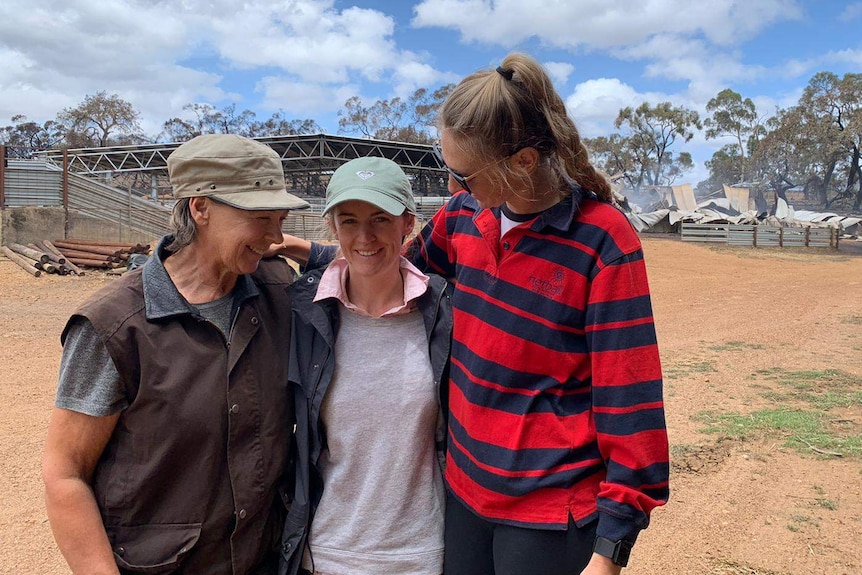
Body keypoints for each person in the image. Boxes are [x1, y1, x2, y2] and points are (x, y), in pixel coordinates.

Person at [275, 53, 669, 575]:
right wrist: (302, 248)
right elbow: (393, 266)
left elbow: (629, 400)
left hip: (547, 513)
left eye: (464, 172)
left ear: (524, 162)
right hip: (464, 496)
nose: (455, 183)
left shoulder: (602, 241)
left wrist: (610, 549)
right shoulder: (465, 218)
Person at [42, 134, 309, 575]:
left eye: (280, 218)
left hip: (263, 558)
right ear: (199, 207)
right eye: (261, 217)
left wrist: (309, 249)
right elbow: (65, 473)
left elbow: (377, 263)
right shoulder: (115, 326)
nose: (275, 236)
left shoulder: (279, 291)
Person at [279, 156, 452, 575]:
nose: (365, 236)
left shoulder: (444, 312)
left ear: (407, 224)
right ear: (333, 227)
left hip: (420, 554)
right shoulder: (303, 313)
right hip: (326, 553)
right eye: (350, 220)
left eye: (380, 218)